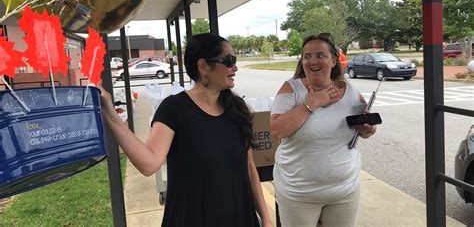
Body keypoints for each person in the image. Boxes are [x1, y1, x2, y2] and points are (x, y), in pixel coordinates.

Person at [98, 33, 273, 227]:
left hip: (241, 219)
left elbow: (249, 169)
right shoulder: (174, 109)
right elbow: (149, 163)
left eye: (235, 59)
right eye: (228, 60)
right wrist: (109, 113)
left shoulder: (237, 108)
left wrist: (265, 218)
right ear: (203, 67)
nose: (235, 67)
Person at [269, 33, 377, 227]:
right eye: (307, 56)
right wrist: (311, 103)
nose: (312, 61)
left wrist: (367, 129)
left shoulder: (350, 90)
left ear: (333, 60)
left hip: (344, 191)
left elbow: (364, 130)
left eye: (320, 55)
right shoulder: (291, 89)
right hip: (299, 194)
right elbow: (277, 131)